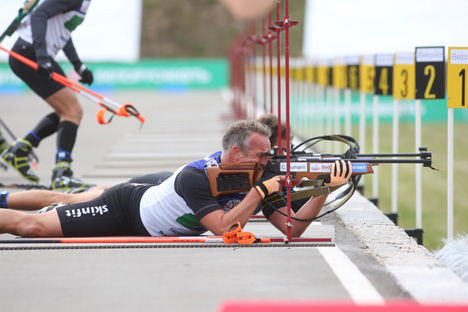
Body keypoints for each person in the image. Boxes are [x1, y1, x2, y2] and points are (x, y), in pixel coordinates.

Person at [0, 119, 352, 238]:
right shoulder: (195, 176)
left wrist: (323, 189)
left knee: (65, 204)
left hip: (152, 210)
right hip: (127, 210)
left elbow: (292, 229)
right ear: (234, 154)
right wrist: (258, 192)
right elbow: (225, 230)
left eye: (270, 155)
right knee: (34, 228)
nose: (268, 161)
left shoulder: (262, 173)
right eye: (262, 155)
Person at [0, 0, 94, 191]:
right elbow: (39, 15)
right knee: (72, 110)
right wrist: (42, 56)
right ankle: (61, 175)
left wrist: (78, 65)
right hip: (29, 54)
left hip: (32, 53)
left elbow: (63, 30)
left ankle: (21, 149)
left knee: (68, 111)